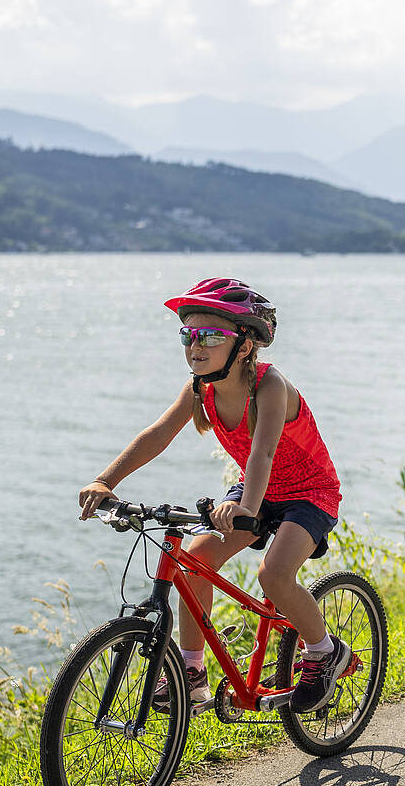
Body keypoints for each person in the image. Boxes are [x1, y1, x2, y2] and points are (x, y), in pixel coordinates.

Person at [77, 277, 348, 713]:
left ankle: (324, 651)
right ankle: (192, 671)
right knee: (196, 563)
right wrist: (106, 480)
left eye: (210, 335)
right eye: (189, 334)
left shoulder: (270, 386)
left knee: (274, 576)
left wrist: (244, 509)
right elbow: (158, 435)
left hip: (307, 492)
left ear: (244, 345)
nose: (195, 345)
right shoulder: (199, 388)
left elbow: (261, 453)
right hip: (257, 491)